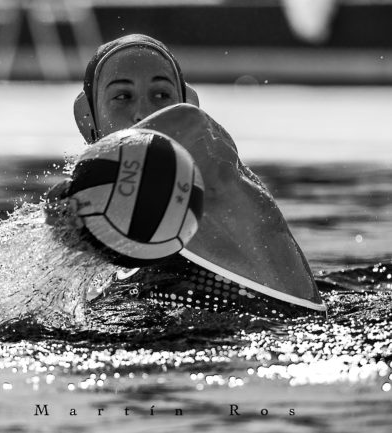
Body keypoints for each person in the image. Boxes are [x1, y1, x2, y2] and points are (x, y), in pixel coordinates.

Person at [48, 34, 327, 318]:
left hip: (279, 334)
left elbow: (188, 126)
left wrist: (86, 185)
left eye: (162, 96)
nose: (142, 112)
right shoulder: (117, 247)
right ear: (88, 120)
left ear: (187, 104)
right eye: (122, 97)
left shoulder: (215, 164)